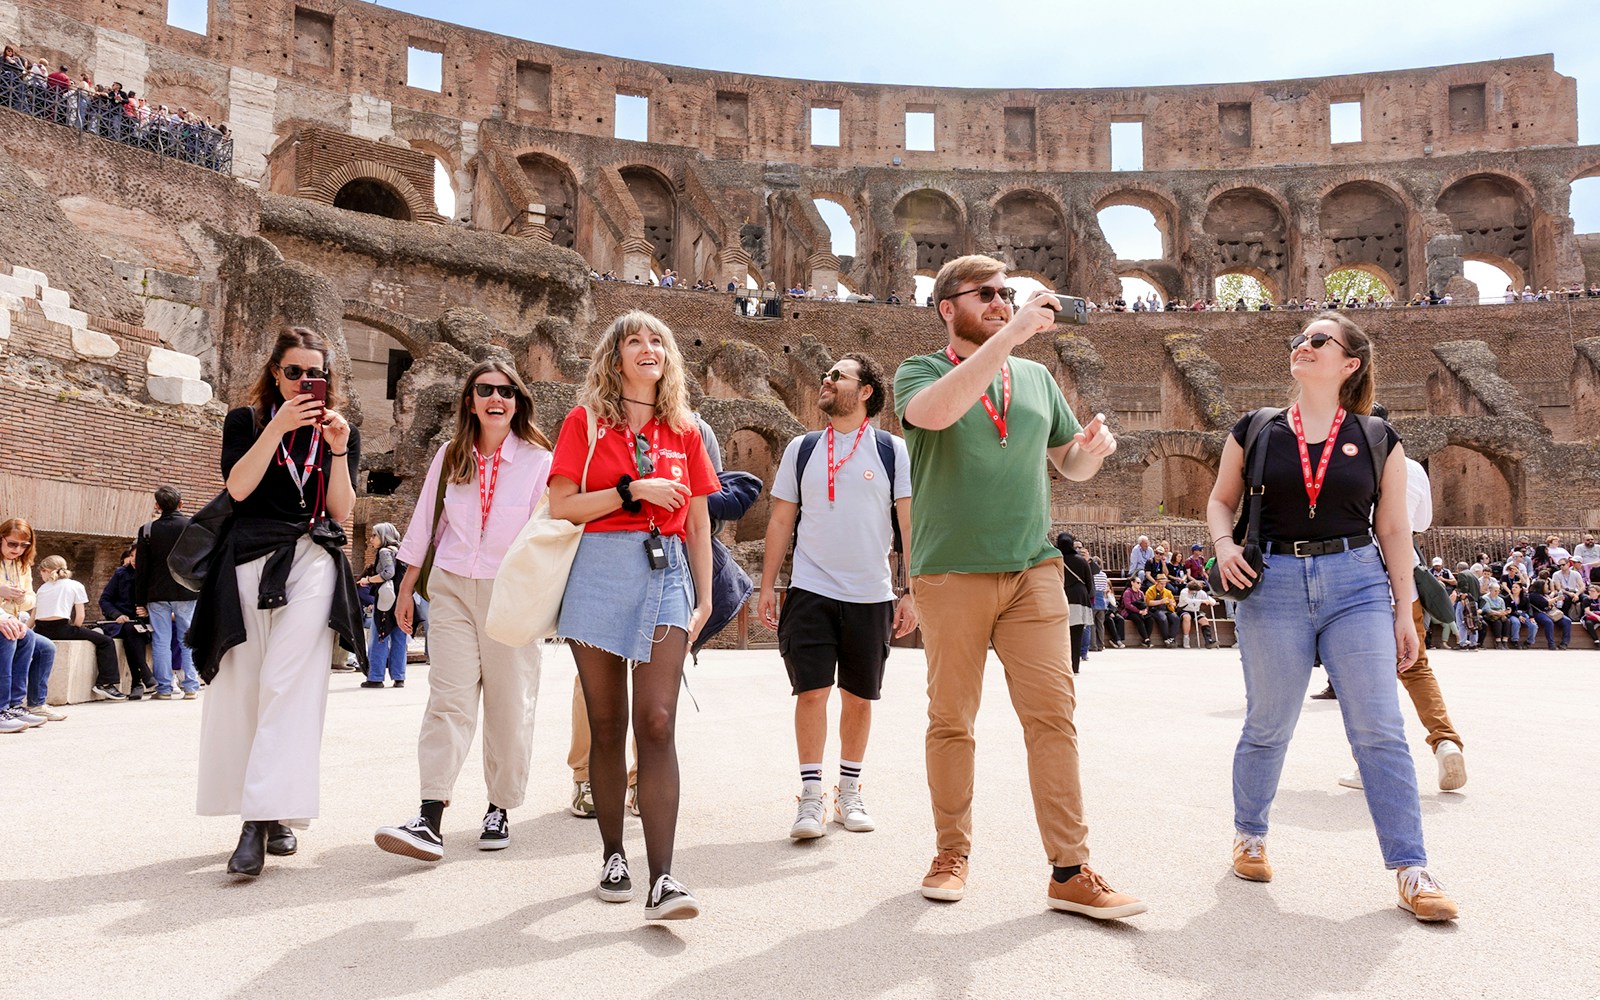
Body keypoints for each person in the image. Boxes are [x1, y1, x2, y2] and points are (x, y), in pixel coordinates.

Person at [893, 254, 1143, 919]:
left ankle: (1070, 868)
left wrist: (1093, 448)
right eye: (988, 295)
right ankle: (952, 851)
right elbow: (938, 415)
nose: (1003, 302)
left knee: (1053, 717)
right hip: (951, 570)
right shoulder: (918, 371)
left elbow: (1070, 465)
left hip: (1033, 567)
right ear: (949, 307)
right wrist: (1012, 335)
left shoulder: (1035, 377)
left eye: (1009, 293)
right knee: (952, 720)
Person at [1207, 311, 1457, 921]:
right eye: (1299, 339)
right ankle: (1250, 833)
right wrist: (1224, 544)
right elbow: (1220, 501)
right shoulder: (1257, 428)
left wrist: (1405, 609)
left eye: (1319, 340)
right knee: (1269, 721)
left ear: (1350, 364)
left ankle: (1412, 867)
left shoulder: (1377, 438)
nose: (1304, 345)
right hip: (1275, 583)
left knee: (1378, 727)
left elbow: (1394, 529)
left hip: (1357, 582)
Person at [548, 310, 716, 921]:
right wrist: (631, 491)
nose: (648, 348)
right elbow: (562, 505)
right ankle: (613, 853)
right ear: (615, 357)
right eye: (634, 341)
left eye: (657, 341)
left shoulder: (685, 428)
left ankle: (664, 878)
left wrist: (703, 596)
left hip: (667, 570)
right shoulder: (584, 422)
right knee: (607, 721)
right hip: (597, 565)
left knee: (658, 720)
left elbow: (698, 520)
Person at [189, 326, 364, 879]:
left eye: (317, 374)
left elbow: (342, 510)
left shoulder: (341, 432)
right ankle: (275, 814)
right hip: (246, 558)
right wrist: (278, 428)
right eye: (295, 372)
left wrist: (337, 451)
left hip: (311, 557)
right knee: (244, 684)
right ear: (274, 373)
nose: (306, 383)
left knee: (290, 683)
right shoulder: (245, 422)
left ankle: (255, 821)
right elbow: (237, 488)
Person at [374, 361, 553, 863]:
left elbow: (554, 531)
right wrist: (407, 586)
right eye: (485, 390)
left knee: (508, 704)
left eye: (507, 391)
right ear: (470, 401)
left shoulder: (540, 461)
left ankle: (499, 806)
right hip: (452, 586)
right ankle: (430, 816)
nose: (496, 398)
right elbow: (426, 523)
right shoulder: (450, 456)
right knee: (448, 699)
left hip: (510, 593)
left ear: (518, 401)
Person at [758, 351, 916, 840]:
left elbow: (908, 524)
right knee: (811, 692)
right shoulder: (802, 448)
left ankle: (849, 792)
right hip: (811, 588)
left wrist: (910, 591)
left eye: (837, 376)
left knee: (860, 696)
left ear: (865, 391)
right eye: (825, 374)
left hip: (871, 593)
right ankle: (810, 798)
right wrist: (766, 585)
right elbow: (782, 519)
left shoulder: (891, 449)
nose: (825, 381)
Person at [1336, 449, 1466, 792]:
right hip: (1404, 580)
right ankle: (1445, 741)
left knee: (1365, 676)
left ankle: (1371, 764)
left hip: (1359, 582)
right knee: (1417, 667)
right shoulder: (1411, 468)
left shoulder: (1342, 461)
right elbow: (1420, 523)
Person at [33, 555, 127, 702]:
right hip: (62, 629)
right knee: (106, 641)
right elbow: (80, 617)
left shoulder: (42, 588)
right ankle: (105, 683)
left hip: (39, 630)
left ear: (45, 571)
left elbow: (34, 616)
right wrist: (76, 629)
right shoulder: (75, 585)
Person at [136, 484, 200, 699]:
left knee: (161, 640)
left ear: (157, 505)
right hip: (187, 591)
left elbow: (142, 568)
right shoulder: (192, 526)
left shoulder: (147, 530)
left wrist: (140, 599)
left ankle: (163, 689)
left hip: (157, 593)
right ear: (181, 504)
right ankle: (191, 686)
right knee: (188, 638)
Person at [1, 518, 59, 730]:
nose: (17, 549)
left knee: (44, 647)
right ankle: (1, 708)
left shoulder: (22, 564)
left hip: (12, 619)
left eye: (23, 545)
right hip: (3, 621)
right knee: (9, 638)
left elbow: (31, 600)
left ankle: (25, 704)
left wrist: (19, 598)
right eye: (12, 544)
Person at [98, 544, 153, 700]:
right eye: (133, 555)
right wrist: (117, 614)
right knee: (130, 629)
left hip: (146, 623)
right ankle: (142, 676)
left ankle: (137, 682)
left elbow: (161, 603)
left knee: (133, 631)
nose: (134, 560)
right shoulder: (121, 573)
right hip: (121, 622)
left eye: (139, 556)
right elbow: (105, 600)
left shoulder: (154, 576)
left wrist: (148, 610)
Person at [358, 523, 408, 689]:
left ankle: (376, 677)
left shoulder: (384, 552)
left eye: (374, 535)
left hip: (386, 601)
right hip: (401, 599)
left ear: (384, 536)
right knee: (399, 639)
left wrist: (369, 580)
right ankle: (399, 677)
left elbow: (388, 573)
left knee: (379, 636)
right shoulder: (401, 550)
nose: (371, 539)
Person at [1054, 533, 1092, 674]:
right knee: (1076, 636)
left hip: (1060, 598)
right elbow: (1089, 583)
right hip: (1079, 600)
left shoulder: (1055, 561)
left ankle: (1060, 666)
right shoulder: (1081, 561)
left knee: (1059, 637)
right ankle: (1074, 667)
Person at [1177, 579, 1218, 648]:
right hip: (1184, 610)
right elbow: (1188, 601)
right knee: (1187, 617)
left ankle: (1208, 641)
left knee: (1204, 620)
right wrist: (1202, 601)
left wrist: (1211, 602)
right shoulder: (1184, 591)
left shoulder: (1201, 592)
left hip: (1195, 610)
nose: (1190, 591)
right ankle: (1186, 638)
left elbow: (1209, 599)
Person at [1143, 573, 1180, 646]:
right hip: (1155, 609)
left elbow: (1173, 602)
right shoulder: (1150, 590)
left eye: (1165, 584)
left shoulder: (1168, 592)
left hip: (1166, 609)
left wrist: (1172, 604)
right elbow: (1148, 602)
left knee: (1176, 618)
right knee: (1163, 618)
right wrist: (1160, 601)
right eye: (1161, 584)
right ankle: (1165, 638)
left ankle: (1171, 638)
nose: (1163, 586)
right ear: (1157, 582)